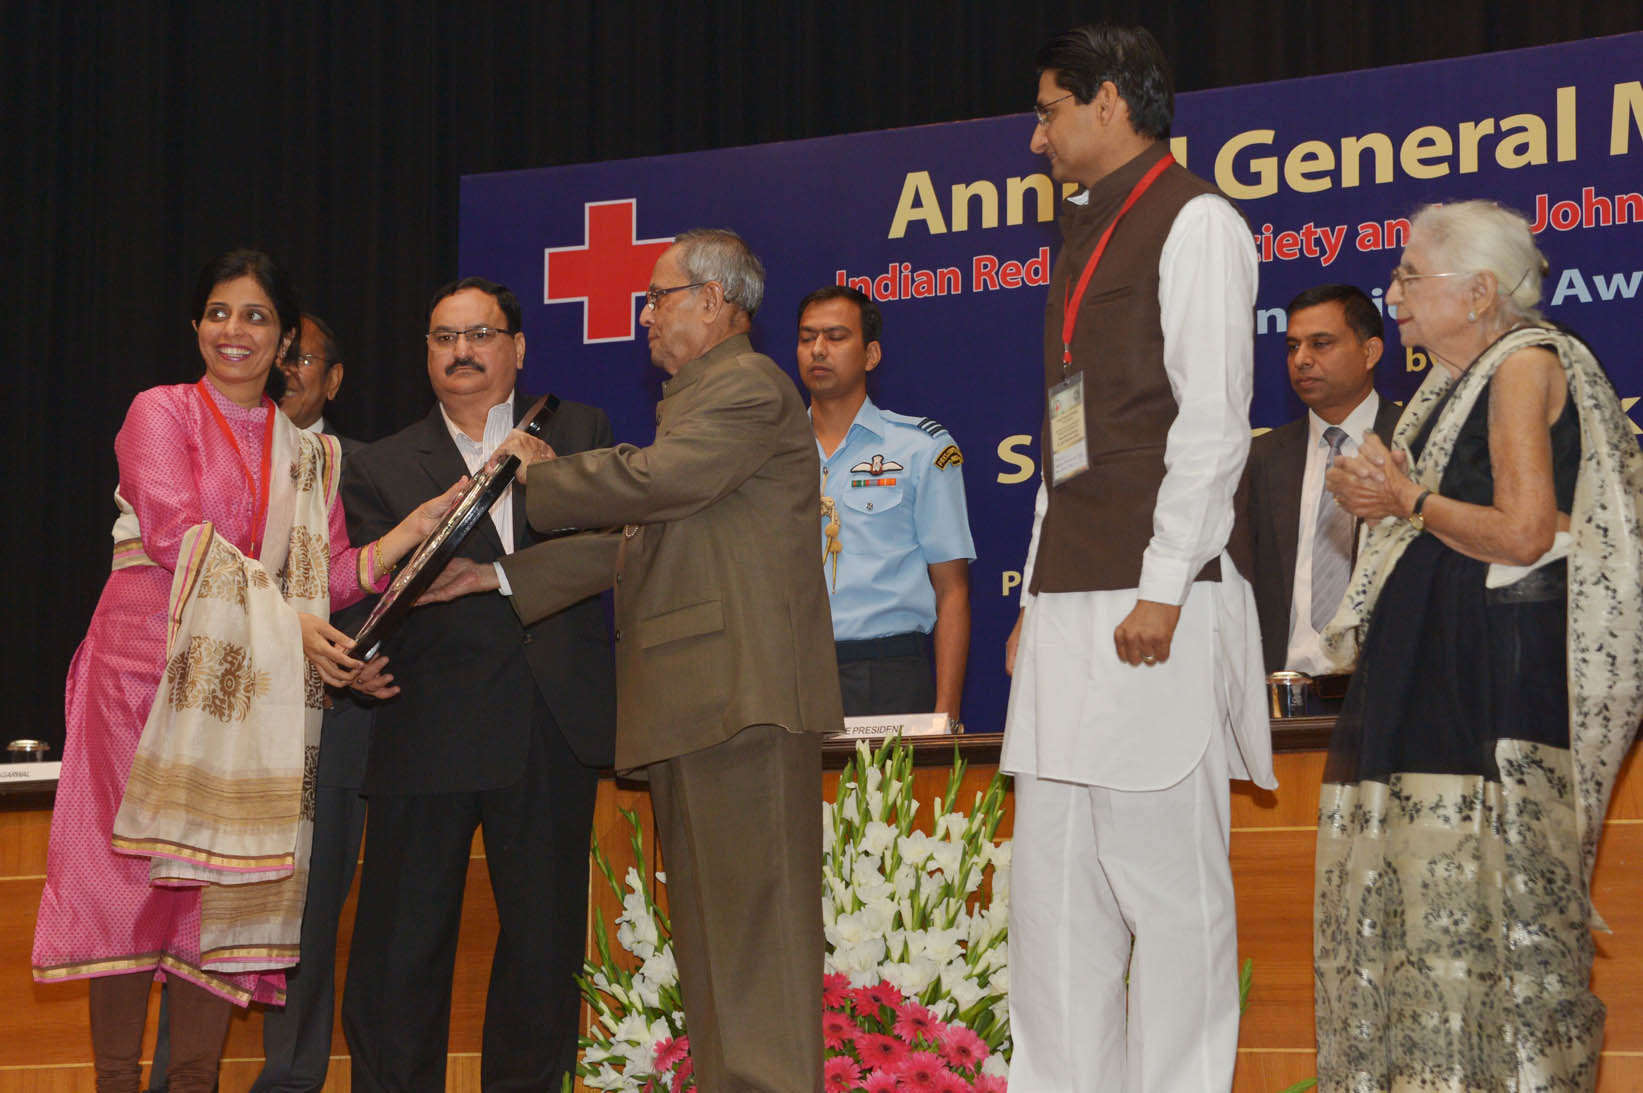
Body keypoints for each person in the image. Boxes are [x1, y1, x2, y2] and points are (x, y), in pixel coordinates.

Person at [31, 250, 457, 1093]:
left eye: (257, 317)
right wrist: (295, 626)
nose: (236, 331)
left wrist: (411, 530)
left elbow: (330, 575)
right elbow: (177, 536)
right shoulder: (160, 413)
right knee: (128, 890)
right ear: (196, 326)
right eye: (220, 313)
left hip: (248, 707)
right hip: (139, 687)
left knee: (214, 904)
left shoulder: (313, 456)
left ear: (286, 340)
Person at [429, 229, 842, 1092]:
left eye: (656, 297)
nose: (644, 316)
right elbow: (636, 541)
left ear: (714, 302)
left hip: (743, 701)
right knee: (714, 945)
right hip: (702, 706)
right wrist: (499, 575)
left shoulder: (748, 388)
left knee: (757, 948)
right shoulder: (698, 402)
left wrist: (540, 472)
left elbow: (655, 483)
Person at [998, 25, 1275, 1091]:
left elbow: (1211, 420)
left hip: (1155, 600)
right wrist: (1035, 592)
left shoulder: (1196, 219)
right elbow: (1065, 442)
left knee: (1168, 895)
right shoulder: (1078, 233)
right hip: (1070, 602)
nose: (1035, 138)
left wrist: (1162, 586)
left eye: (1048, 110)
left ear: (1108, 103)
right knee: (1053, 898)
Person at [1314, 200, 1643, 1089]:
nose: (1394, 294)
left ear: (1479, 291)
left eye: (1411, 277)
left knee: (1500, 912)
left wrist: (1407, 502)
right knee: (1429, 911)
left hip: (1493, 675)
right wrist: (1394, 499)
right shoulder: (1453, 381)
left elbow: (1526, 530)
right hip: (1438, 664)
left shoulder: (1522, 362)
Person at [337, 276, 617, 1093]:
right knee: (401, 949)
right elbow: (355, 592)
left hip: (547, 718)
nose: (461, 351)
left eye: (481, 334)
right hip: (424, 723)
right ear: (426, 353)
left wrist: (553, 476)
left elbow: (613, 549)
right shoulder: (378, 462)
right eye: (443, 337)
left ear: (518, 348)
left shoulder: (578, 432)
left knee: (543, 947)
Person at [149, 313, 368, 1093]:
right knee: (192, 913)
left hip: (324, 732)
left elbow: (366, 585)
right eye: (287, 352)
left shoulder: (353, 466)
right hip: (208, 718)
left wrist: (365, 660)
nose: (290, 367)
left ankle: (293, 1080)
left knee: (302, 925)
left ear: (332, 378)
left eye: (306, 356)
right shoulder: (191, 438)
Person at [797, 285, 975, 720]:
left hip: (888, 672)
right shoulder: (768, 451)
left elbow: (952, 591)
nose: (818, 350)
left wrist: (945, 715)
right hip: (790, 673)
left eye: (836, 337)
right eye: (807, 338)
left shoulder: (920, 449)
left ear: (871, 355)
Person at [1236, 285, 1402, 675]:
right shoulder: (1259, 459)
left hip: (1389, 689)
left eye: (1320, 344)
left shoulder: (1416, 442)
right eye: (1293, 347)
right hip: (1282, 696)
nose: (1302, 360)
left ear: (1370, 352)